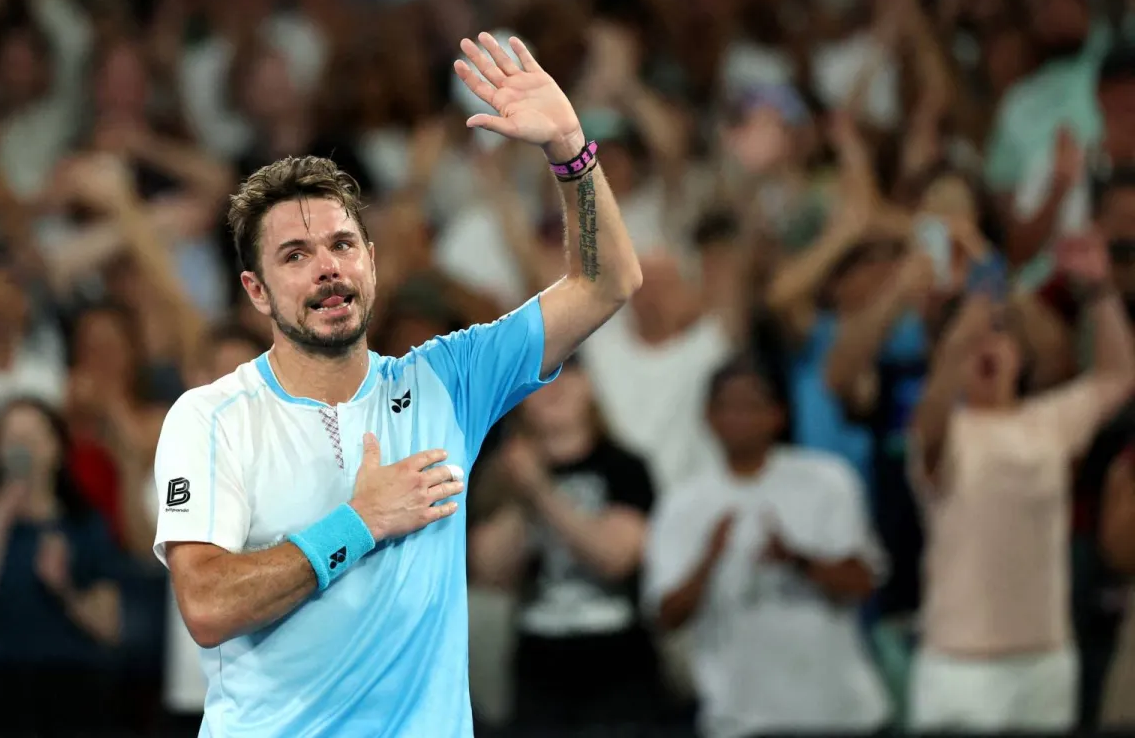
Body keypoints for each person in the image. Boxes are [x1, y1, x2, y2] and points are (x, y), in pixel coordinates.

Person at [151, 32, 643, 736]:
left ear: (372, 265)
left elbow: (606, 283)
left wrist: (570, 146)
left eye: (342, 245)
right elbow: (206, 604)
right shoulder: (212, 416)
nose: (327, 267)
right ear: (256, 292)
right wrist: (360, 522)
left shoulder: (448, 379)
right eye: (296, 255)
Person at [908, 234, 1135, 732]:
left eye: (999, 336)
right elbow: (930, 423)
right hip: (961, 666)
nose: (986, 348)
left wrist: (1098, 292)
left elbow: (1118, 376)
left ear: (1020, 353)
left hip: (1044, 660)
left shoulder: (1047, 421)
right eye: (974, 343)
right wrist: (962, 333)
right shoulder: (942, 431)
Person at [643, 357, 891, 738]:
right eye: (727, 406)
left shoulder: (827, 480)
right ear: (708, 417)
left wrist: (797, 560)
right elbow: (666, 616)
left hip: (839, 713)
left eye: (751, 405)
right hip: (739, 719)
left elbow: (862, 583)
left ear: (777, 414)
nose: (739, 417)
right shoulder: (683, 503)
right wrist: (709, 558)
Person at [468, 357, 666, 729]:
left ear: (589, 386)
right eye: (539, 378)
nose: (553, 385)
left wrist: (540, 491)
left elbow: (616, 558)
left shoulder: (625, 467)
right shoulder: (502, 475)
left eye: (567, 370)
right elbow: (490, 572)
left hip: (619, 664)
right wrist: (519, 489)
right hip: (539, 666)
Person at [0, 397, 126, 738]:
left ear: (57, 449)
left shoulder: (86, 526)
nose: (22, 447)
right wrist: (2, 510)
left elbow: (110, 627)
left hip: (73, 685)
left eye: (33, 437)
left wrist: (64, 589)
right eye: (11, 439)